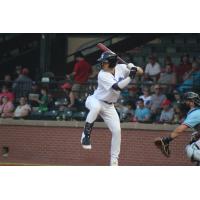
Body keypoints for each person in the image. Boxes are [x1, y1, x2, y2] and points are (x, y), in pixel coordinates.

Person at [80, 51, 140, 166]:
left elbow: (140, 72)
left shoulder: (122, 68)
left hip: (109, 106)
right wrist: (131, 75)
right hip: (95, 100)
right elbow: (117, 87)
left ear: (112, 63)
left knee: (117, 131)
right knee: (96, 107)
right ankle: (85, 135)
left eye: (105, 62)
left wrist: (133, 67)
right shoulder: (102, 74)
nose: (102, 64)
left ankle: (114, 161)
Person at [154, 92, 200, 165]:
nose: (184, 103)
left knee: (191, 149)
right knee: (194, 137)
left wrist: (167, 140)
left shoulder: (196, 113)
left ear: (192, 102)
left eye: (186, 101)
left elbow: (180, 130)